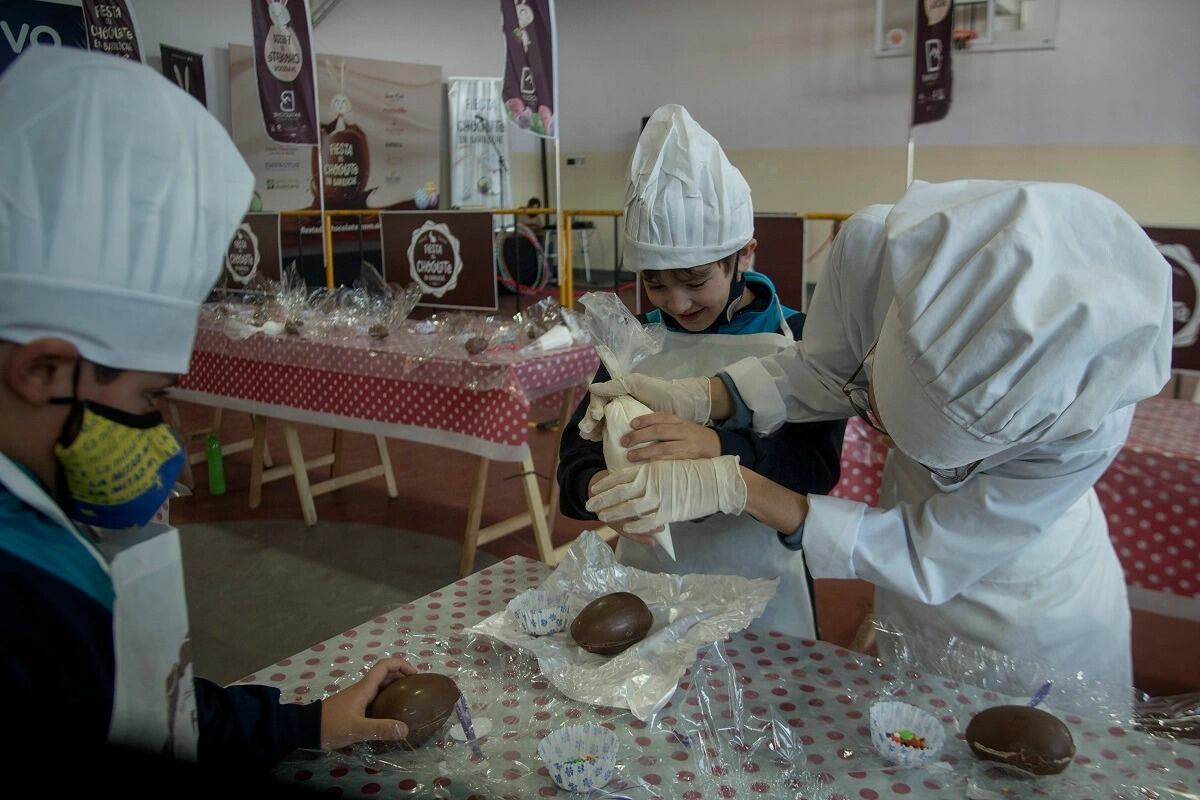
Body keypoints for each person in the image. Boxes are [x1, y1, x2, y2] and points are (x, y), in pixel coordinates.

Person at [585, 178, 1172, 706]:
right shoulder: (878, 258)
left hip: (1031, 591)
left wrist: (738, 483)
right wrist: (702, 395)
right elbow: (823, 373)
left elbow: (926, 551)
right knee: (913, 735)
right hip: (909, 568)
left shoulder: (1088, 423)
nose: (881, 428)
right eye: (880, 410)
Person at [0, 48, 413, 766]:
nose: (165, 442)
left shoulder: (41, 528)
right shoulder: (21, 601)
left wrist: (307, 725)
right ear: (43, 369)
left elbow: (148, 710)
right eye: (146, 398)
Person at [558, 105, 844, 637]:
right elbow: (575, 458)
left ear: (745, 256)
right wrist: (600, 488)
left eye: (694, 279)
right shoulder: (635, 343)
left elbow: (815, 469)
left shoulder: (799, 340)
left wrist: (719, 452)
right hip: (652, 579)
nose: (677, 302)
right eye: (657, 284)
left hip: (761, 583)